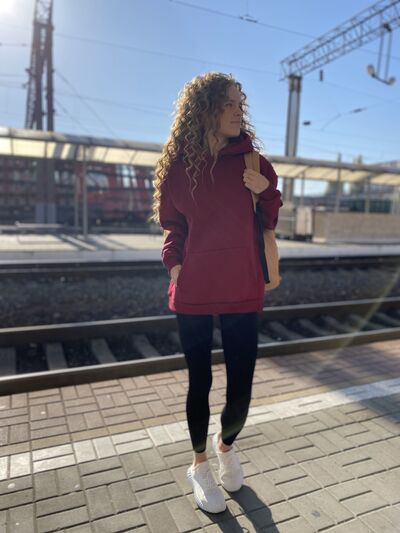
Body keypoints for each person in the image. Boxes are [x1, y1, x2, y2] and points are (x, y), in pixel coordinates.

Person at [149, 72, 283, 514]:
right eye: (228, 103)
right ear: (203, 109)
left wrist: (267, 193)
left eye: (240, 103)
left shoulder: (254, 163)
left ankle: (226, 446)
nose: (237, 111)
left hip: (243, 285)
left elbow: (269, 220)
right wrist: (174, 265)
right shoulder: (177, 168)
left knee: (242, 383)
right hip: (194, 289)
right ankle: (199, 464)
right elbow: (174, 228)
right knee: (200, 382)